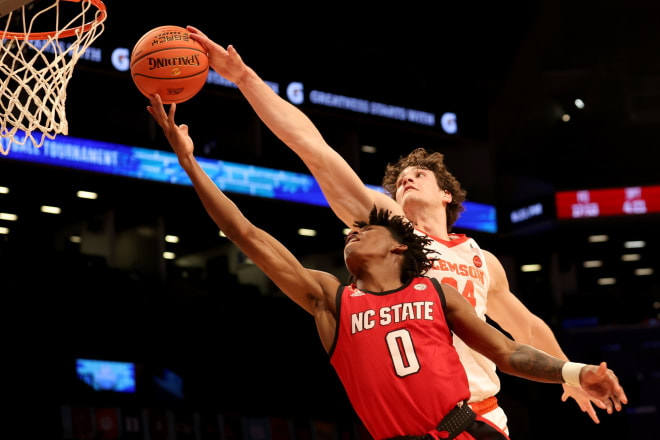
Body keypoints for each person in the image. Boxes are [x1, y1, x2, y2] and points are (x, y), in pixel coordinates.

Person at [184, 25, 608, 433]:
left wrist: (568, 371)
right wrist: (244, 78)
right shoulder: (392, 232)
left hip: (481, 416)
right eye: (400, 178)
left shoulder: (482, 259)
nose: (406, 177)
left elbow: (527, 329)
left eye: (419, 174)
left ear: (447, 195)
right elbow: (314, 150)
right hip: (409, 414)